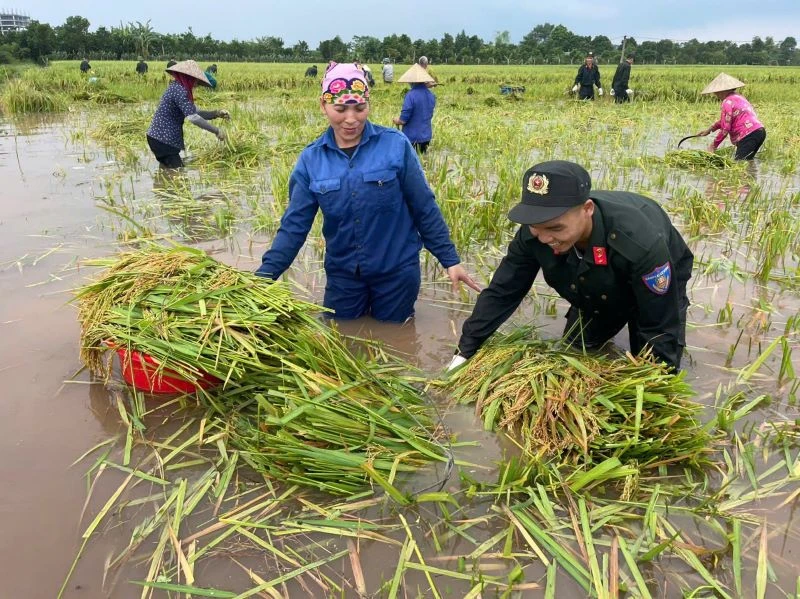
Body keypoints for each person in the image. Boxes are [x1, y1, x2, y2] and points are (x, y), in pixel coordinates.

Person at [256, 62, 480, 323]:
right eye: (340, 109)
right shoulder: (311, 160)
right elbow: (294, 226)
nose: (351, 119)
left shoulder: (395, 145)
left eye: (360, 108)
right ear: (323, 106)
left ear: (368, 105)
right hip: (343, 276)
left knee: (398, 339)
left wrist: (450, 260)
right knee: (339, 335)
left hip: (397, 273)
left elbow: (423, 207)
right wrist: (262, 278)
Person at [447, 160, 693, 372]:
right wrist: (464, 352)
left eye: (555, 228)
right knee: (576, 350)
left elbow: (660, 325)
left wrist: (655, 390)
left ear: (587, 209)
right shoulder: (534, 233)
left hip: (652, 274)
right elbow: (502, 293)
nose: (544, 239)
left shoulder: (639, 243)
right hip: (595, 282)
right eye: (537, 227)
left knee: (650, 361)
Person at [146, 60, 230, 168]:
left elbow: (195, 112)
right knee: (178, 175)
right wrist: (216, 131)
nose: (196, 85)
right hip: (163, 140)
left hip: (159, 139)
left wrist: (216, 113)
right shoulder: (179, 90)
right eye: (195, 81)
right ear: (188, 78)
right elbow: (193, 117)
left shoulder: (177, 88)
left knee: (167, 171)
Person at [696, 73, 766, 161]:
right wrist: (709, 130)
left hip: (748, 135)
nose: (715, 94)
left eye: (716, 92)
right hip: (759, 131)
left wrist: (713, 146)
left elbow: (725, 128)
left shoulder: (727, 102)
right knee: (747, 163)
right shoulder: (739, 98)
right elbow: (725, 120)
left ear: (722, 91)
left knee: (739, 165)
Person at [392, 63, 436, 154]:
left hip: (412, 138)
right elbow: (429, 114)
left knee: (412, 163)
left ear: (412, 81)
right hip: (426, 136)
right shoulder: (431, 95)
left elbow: (403, 120)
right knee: (422, 162)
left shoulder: (410, 95)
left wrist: (396, 120)